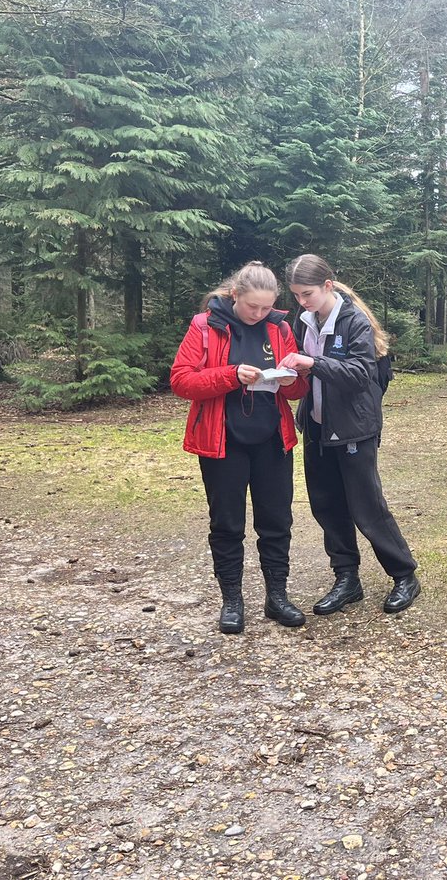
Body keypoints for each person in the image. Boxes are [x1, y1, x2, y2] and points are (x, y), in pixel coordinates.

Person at [169, 261, 309, 634]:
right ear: (235, 295)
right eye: (252, 307)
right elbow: (181, 381)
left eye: (266, 307)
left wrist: (290, 378)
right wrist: (230, 375)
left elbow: (297, 391)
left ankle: (276, 597)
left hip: (272, 441)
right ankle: (232, 601)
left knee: (277, 522)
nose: (259, 314)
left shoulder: (279, 328)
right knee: (227, 524)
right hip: (221, 442)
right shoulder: (205, 326)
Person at [278, 254, 421, 617]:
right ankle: (346, 579)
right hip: (317, 426)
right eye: (296, 295)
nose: (302, 301)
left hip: (355, 428)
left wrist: (312, 363)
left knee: (367, 507)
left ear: (327, 285)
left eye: (307, 293)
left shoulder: (354, 321)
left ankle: (404, 575)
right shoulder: (305, 319)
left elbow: (359, 375)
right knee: (326, 505)